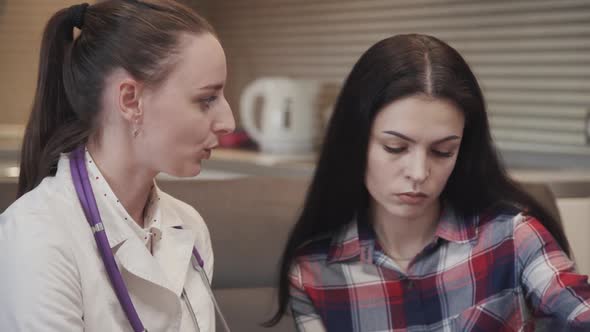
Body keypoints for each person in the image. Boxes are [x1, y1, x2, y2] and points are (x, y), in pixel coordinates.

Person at [266, 34, 590, 331]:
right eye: (396, 148)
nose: (419, 172)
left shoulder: (513, 236)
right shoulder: (312, 273)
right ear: (355, 141)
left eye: (442, 151)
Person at [0, 1, 235, 331]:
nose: (228, 121)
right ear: (130, 100)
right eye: (206, 99)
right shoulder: (35, 237)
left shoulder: (189, 226)